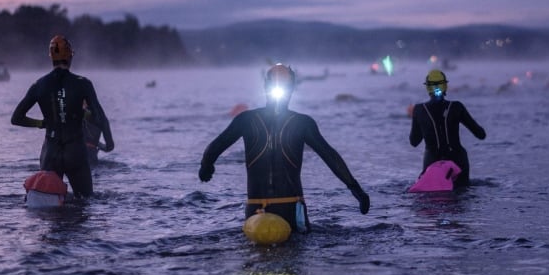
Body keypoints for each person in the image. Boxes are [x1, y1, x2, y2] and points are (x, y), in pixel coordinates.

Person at [198, 64, 370, 232]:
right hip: (292, 208)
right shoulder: (303, 123)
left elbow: (214, 148)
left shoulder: (245, 120)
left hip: (256, 213)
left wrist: (206, 167)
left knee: (257, 257)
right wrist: (356, 189)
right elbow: (330, 156)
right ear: (292, 88)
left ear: (265, 85)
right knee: (295, 256)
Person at [11, 35, 114, 199]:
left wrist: (42, 123)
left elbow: (16, 118)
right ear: (70, 55)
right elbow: (100, 118)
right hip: (76, 152)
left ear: (51, 57)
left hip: (50, 153)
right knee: (85, 202)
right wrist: (109, 144)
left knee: (49, 206)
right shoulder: (83, 83)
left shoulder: (39, 85)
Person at [409, 69, 486, 187]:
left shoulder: (419, 110)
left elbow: (414, 142)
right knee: (461, 193)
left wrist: (423, 123)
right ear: (445, 86)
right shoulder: (457, 107)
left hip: (432, 161)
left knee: (433, 199)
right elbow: (481, 134)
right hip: (458, 160)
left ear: (428, 88)